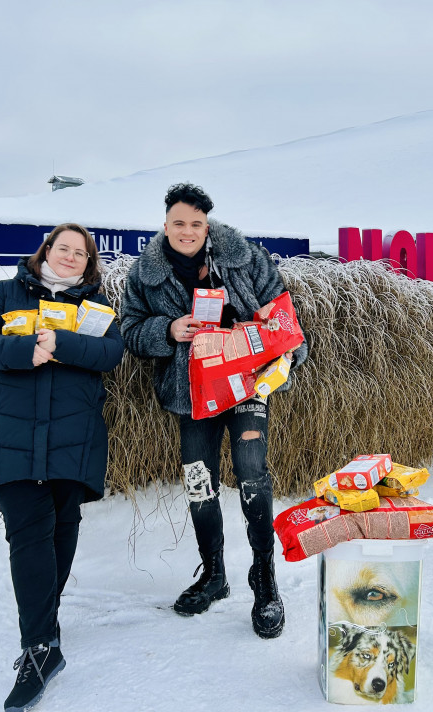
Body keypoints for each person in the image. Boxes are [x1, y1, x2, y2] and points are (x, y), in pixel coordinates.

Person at [120, 182, 307, 639]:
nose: (188, 232)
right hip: (191, 394)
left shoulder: (246, 259)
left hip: (246, 386)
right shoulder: (144, 275)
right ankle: (215, 574)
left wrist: (275, 350)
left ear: (208, 224)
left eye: (196, 224)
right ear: (165, 224)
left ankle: (264, 578)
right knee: (199, 482)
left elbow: (282, 315)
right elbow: (129, 329)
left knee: (250, 470)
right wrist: (168, 329)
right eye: (179, 223)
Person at [0, 224, 123, 712]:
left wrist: (63, 343)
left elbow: (110, 353)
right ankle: (38, 649)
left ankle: (44, 625)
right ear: (46, 251)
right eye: (63, 248)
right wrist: (23, 350)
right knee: (28, 533)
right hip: (13, 436)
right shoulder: (8, 292)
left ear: (89, 261)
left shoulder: (94, 306)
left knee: (62, 530)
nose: (71, 257)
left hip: (73, 438)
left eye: (81, 252)